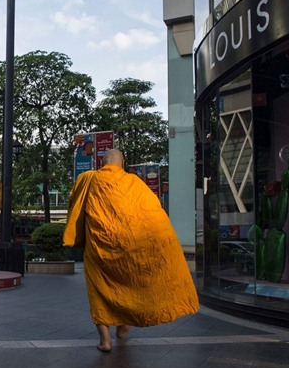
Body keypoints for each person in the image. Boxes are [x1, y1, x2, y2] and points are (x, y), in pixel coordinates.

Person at [63, 149, 199, 352]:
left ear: (101, 162)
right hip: (132, 248)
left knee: (99, 290)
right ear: (123, 163)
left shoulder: (89, 178)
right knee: (127, 285)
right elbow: (153, 213)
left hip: (101, 247)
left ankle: (105, 341)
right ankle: (123, 323)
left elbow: (74, 203)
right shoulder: (136, 183)